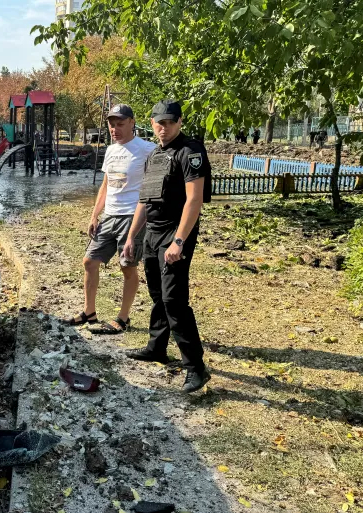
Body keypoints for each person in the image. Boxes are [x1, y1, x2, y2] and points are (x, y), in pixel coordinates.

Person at [124, 99, 212, 393]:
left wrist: (179, 240)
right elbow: (144, 201)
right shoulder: (154, 156)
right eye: (159, 122)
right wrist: (131, 237)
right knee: (157, 295)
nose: (164, 128)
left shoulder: (191, 151)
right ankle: (157, 347)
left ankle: (196, 367)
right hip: (152, 233)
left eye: (170, 122)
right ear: (152, 123)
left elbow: (194, 199)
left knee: (174, 299)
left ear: (179, 122)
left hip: (176, 233)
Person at [63, 104, 157, 334]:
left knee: (127, 267)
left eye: (120, 124)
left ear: (132, 123)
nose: (115, 129)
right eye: (111, 124)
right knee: (89, 261)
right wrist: (95, 214)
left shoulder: (147, 149)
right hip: (109, 215)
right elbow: (106, 184)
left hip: (131, 216)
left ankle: (123, 318)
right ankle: (89, 312)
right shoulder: (111, 150)